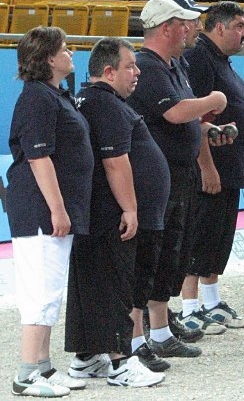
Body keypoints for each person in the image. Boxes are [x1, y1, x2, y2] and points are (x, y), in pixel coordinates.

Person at [64, 38, 168, 386]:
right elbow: (114, 162)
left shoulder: (95, 101)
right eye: (130, 66)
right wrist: (131, 208)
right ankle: (121, 362)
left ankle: (87, 357)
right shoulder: (105, 105)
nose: (137, 72)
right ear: (108, 72)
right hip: (110, 214)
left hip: (97, 212)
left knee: (92, 284)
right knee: (115, 285)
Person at [127, 0, 227, 358]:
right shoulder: (148, 67)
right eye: (186, 23)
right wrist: (212, 99)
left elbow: (184, 117)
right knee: (152, 254)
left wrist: (208, 129)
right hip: (156, 178)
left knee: (172, 253)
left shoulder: (174, 66)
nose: (193, 29)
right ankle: (137, 337)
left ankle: (160, 329)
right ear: (167, 27)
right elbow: (174, 112)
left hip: (176, 174)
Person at [6, 26, 94, 397]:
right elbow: (39, 157)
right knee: (41, 290)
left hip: (56, 208)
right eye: (65, 47)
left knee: (51, 289)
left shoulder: (55, 95)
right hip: (40, 210)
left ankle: (42, 365)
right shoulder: (38, 99)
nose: (71, 52)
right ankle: (27, 373)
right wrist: (57, 210)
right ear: (47, 58)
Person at [177, 1, 244, 330]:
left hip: (229, 166)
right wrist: (206, 167)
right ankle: (189, 308)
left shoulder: (222, 60)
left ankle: (211, 301)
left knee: (218, 238)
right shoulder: (199, 57)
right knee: (199, 235)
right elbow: (194, 117)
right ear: (219, 27)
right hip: (210, 168)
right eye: (239, 26)